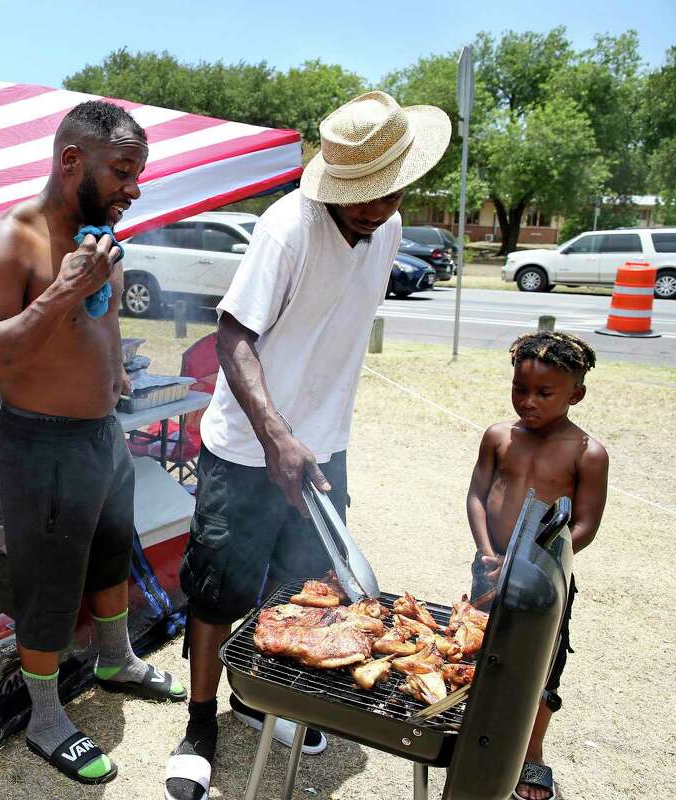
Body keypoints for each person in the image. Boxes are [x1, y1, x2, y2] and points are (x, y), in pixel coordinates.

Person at [164, 91, 451, 800]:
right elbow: (234, 335)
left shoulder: (387, 231)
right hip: (246, 447)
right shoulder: (286, 227)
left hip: (324, 444)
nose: (373, 208)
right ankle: (200, 722)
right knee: (218, 588)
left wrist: (314, 433)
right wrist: (278, 436)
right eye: (359, 196)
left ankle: (263, 701)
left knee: (306, 590)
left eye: (384, 194)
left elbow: (335, 333)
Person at [0, 100, 186, 785]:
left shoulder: (101, 237)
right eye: (123, 170)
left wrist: (114, 371)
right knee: (50, 585)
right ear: (71, 162)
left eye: (138, 173)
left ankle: (116, 660)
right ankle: (45, 717)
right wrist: (59, 295)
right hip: (41, 443)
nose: (134, 187)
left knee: (113, 553)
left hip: (100, 435)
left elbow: (105, 322)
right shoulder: (11, 240)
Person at [466, 331, 607, 800]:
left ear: (576, 394)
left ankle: (532, 752)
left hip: (543, 581)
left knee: (541, 668)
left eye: (545, 393)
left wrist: (533, 560)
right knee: (479, 651)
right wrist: (488, 551)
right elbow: (477, 496)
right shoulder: (499, 436)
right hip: (488, 570)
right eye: (519, 389)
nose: (529, 402)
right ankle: (477, 733)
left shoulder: (586, 452)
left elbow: (585, 523)